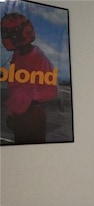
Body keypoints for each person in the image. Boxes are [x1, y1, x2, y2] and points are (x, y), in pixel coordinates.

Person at [1, 12, 58, 143]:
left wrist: (27, 97)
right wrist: (12, 112)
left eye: (6, 34)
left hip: (32, 117)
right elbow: (14, 89)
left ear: (18, 34)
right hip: (20, 116)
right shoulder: (17, 55)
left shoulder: (38, 58)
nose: (4, 38)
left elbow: (51, 90)